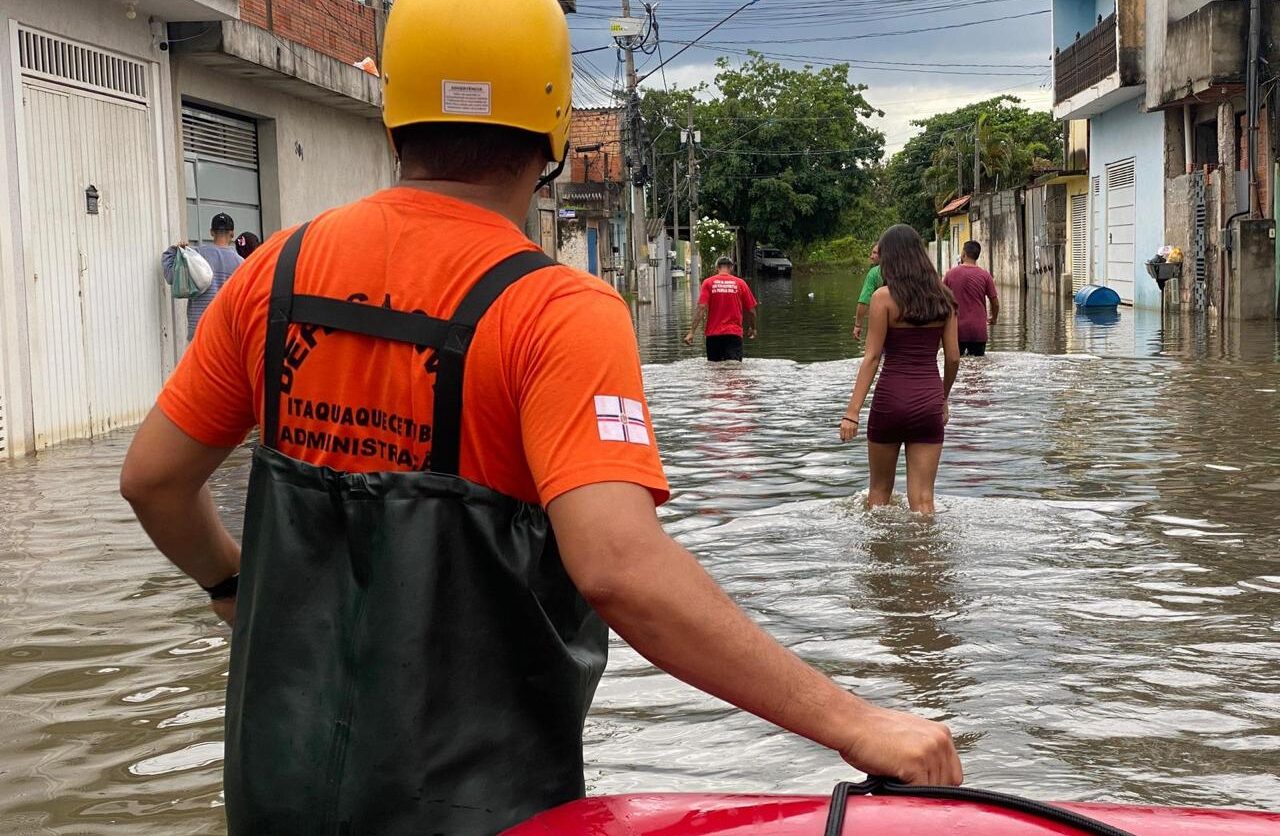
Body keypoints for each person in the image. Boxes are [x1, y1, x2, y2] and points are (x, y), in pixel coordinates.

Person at [119, 2, 960, 833]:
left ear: (394, 116)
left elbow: (154, 481)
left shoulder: (275, 272)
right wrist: (857, 721)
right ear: (556, 134)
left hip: (277, 794)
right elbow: (620, 566)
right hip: (479, 807)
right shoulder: (557, 310)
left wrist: (231, 582)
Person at [839, 225, 960, 515]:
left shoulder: (883, 298)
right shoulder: (944, 299)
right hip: (928, 401)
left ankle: (879, 557)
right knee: (923, 500)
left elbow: (871, 358)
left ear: (891, 258)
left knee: (879, 494)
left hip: (890, 402)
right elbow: (953, 357)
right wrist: (941, 399)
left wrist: (852, 412)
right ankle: (926, 558)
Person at [161, 212, 244, 341]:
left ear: (211, 232)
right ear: (232, 234)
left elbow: (171, 276)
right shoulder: (242, 264)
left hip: (199, 331)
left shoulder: (195, 255)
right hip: (227, 333)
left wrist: (175, 250)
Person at [683, 255, 758, 361]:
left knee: (714, 370)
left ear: (717, 268)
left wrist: (691, 332)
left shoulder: (708, 283)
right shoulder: (740, 283)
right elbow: (751, 311)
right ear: (731, 268)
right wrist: (753, 328)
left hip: (713, 335)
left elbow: (701, 308)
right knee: (733, 370)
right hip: (734, 334)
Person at [943, 240, 999, 357]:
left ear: (963, 254)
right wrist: (993, 318)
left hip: (956, 330)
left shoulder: (950, 274)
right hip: (978, 331)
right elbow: (995, 303)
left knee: (958, 367)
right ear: (977, 256)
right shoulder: (985, 276)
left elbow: (940, 300)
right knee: (977, 369)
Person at [852, 242, 882, 341]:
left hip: (882, 322)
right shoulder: (907, 270)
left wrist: (857, 325)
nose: (871, 257)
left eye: (875, 253)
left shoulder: (874, 273)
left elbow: (864, 301)